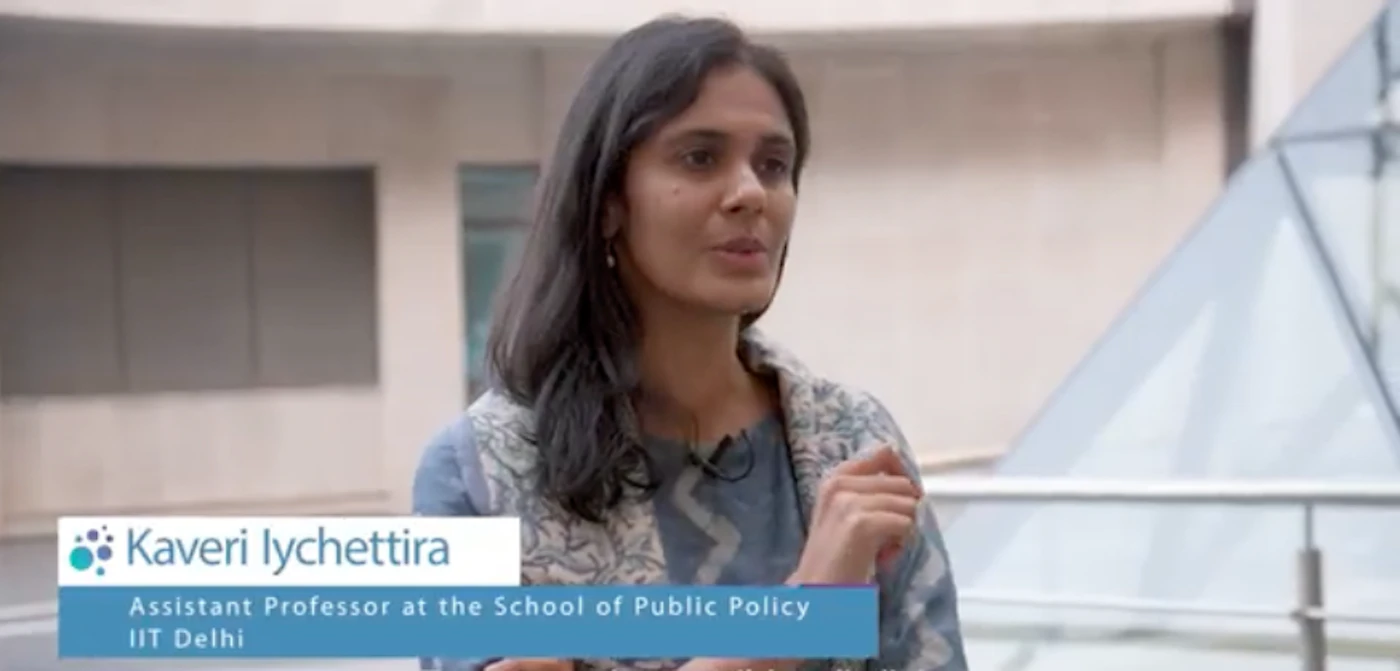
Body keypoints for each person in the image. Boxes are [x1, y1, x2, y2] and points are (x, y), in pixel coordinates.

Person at [413, 14, 968, 671]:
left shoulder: (856, 447)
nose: (750, 193)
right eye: (700, 157)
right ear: (609, 200)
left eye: (774, 164)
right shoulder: (476, 473)